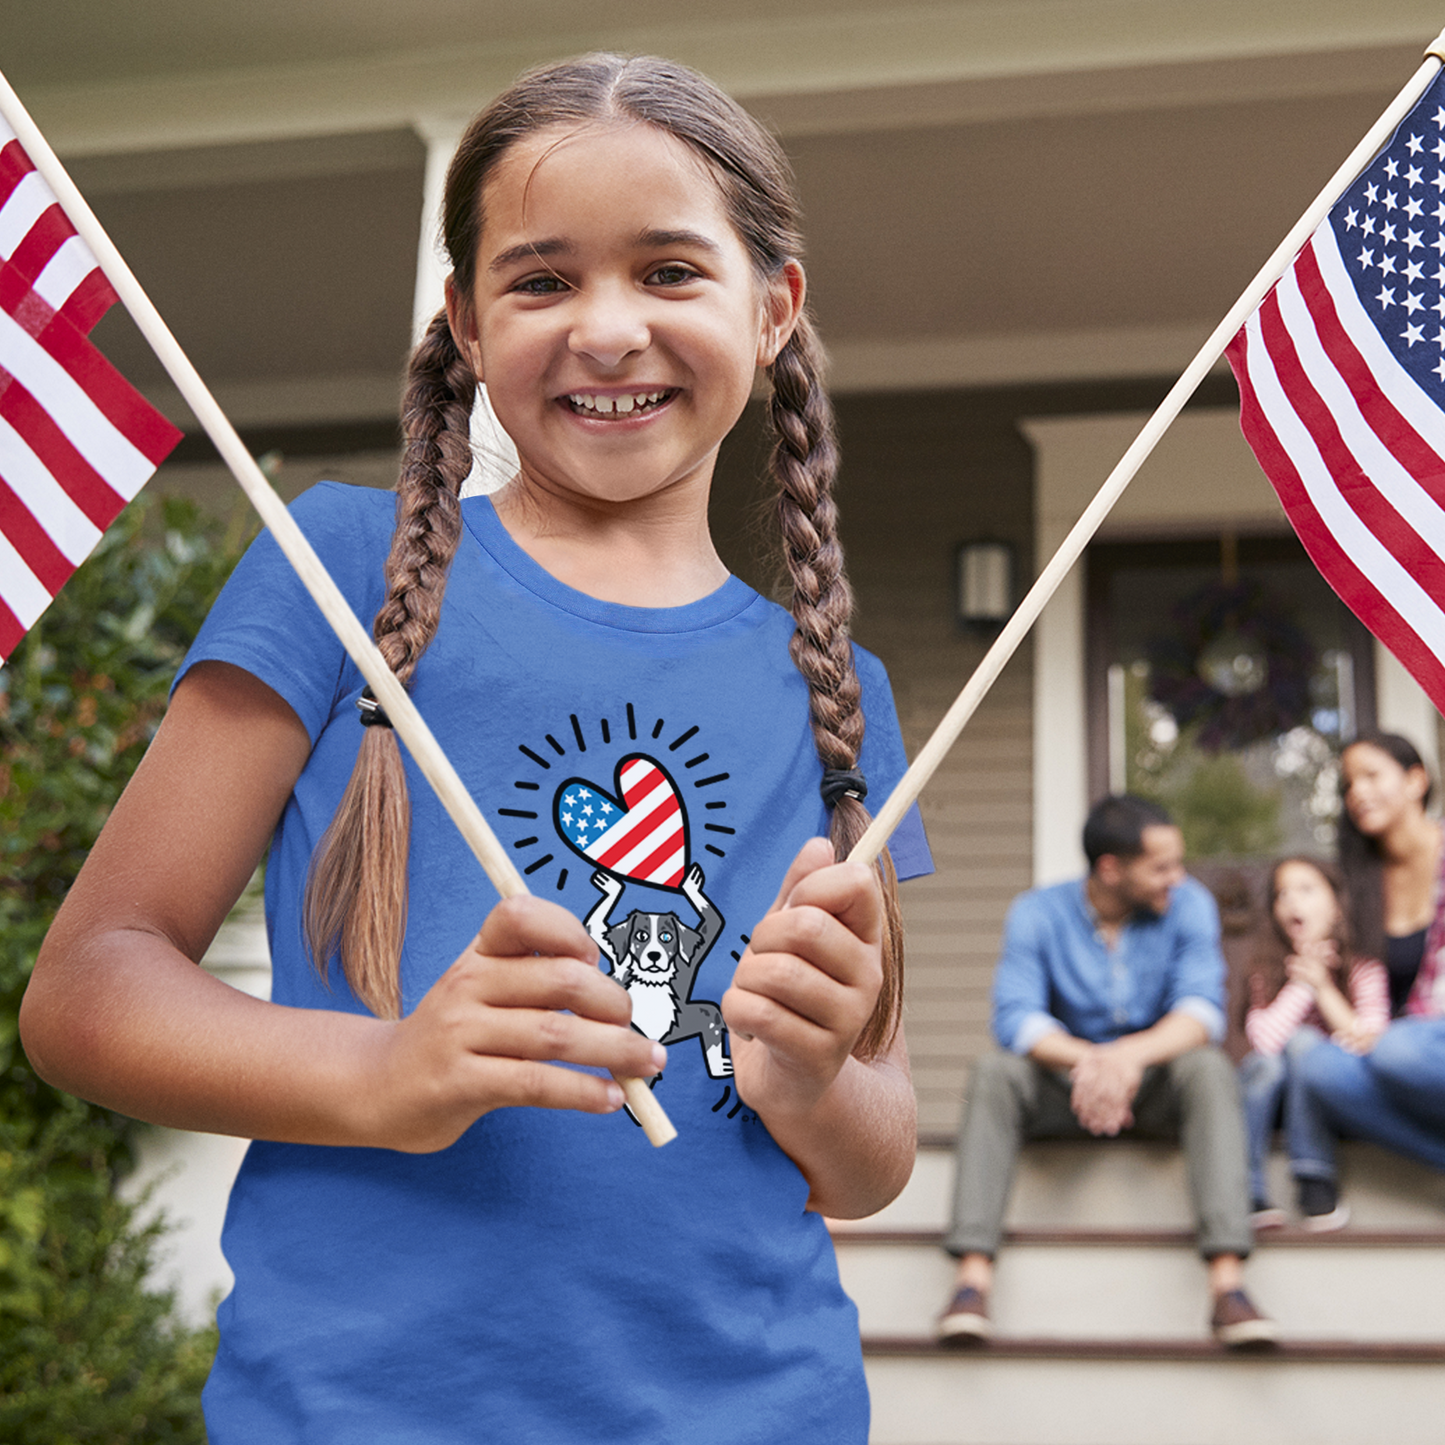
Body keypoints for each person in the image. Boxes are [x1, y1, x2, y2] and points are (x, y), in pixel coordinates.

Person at [19, 54, 933, 1444]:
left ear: (773, 307)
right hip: (362, 1410)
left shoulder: (836, 690)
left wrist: (813, 1081)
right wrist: (387, 1077)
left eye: (671, 272)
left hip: (762, 1407)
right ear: (465, 317)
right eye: (543, 280)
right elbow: (87, 991)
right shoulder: (340, 566)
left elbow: (871, 1161)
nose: (608, 329)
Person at [937, 794, 1277, 1349]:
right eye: (1161, 866)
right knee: (994, 1072)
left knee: (1210, 1070)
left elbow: (1201, 1013)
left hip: (1156, 1087)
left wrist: (1126, 1059)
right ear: (1111, 869)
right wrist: (1091, 1062)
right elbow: (1015, 1018)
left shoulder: (1188, 904)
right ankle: (971, 1283)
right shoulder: (1037, 912)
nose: (1177, 877)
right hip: (1066, 1088)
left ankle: (1228, 1289)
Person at [1295, 733, 1445, 1173]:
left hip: (1419, 1048)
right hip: (1401, 1053)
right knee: (1318, 1065)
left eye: (1371, 776)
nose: (1357, 793)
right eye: (1348, 785)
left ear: (1417, 780)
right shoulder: (1360, 886)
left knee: (1397, 1052)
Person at [1239, 857, 1388, 1231]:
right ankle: (1247, 1189)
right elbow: (1265, 1044)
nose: (1291, 902)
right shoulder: (1266, 972)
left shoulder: (1365, 968)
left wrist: (1322, 986)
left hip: (1334, 1097)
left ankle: (1314, 1176)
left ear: (1337, 905)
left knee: (1306, 1045)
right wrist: (1302, 984)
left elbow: (1370, 1043)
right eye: (1281, 894)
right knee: (1265, 1064)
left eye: (1306, 890)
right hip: (1275, 1095)